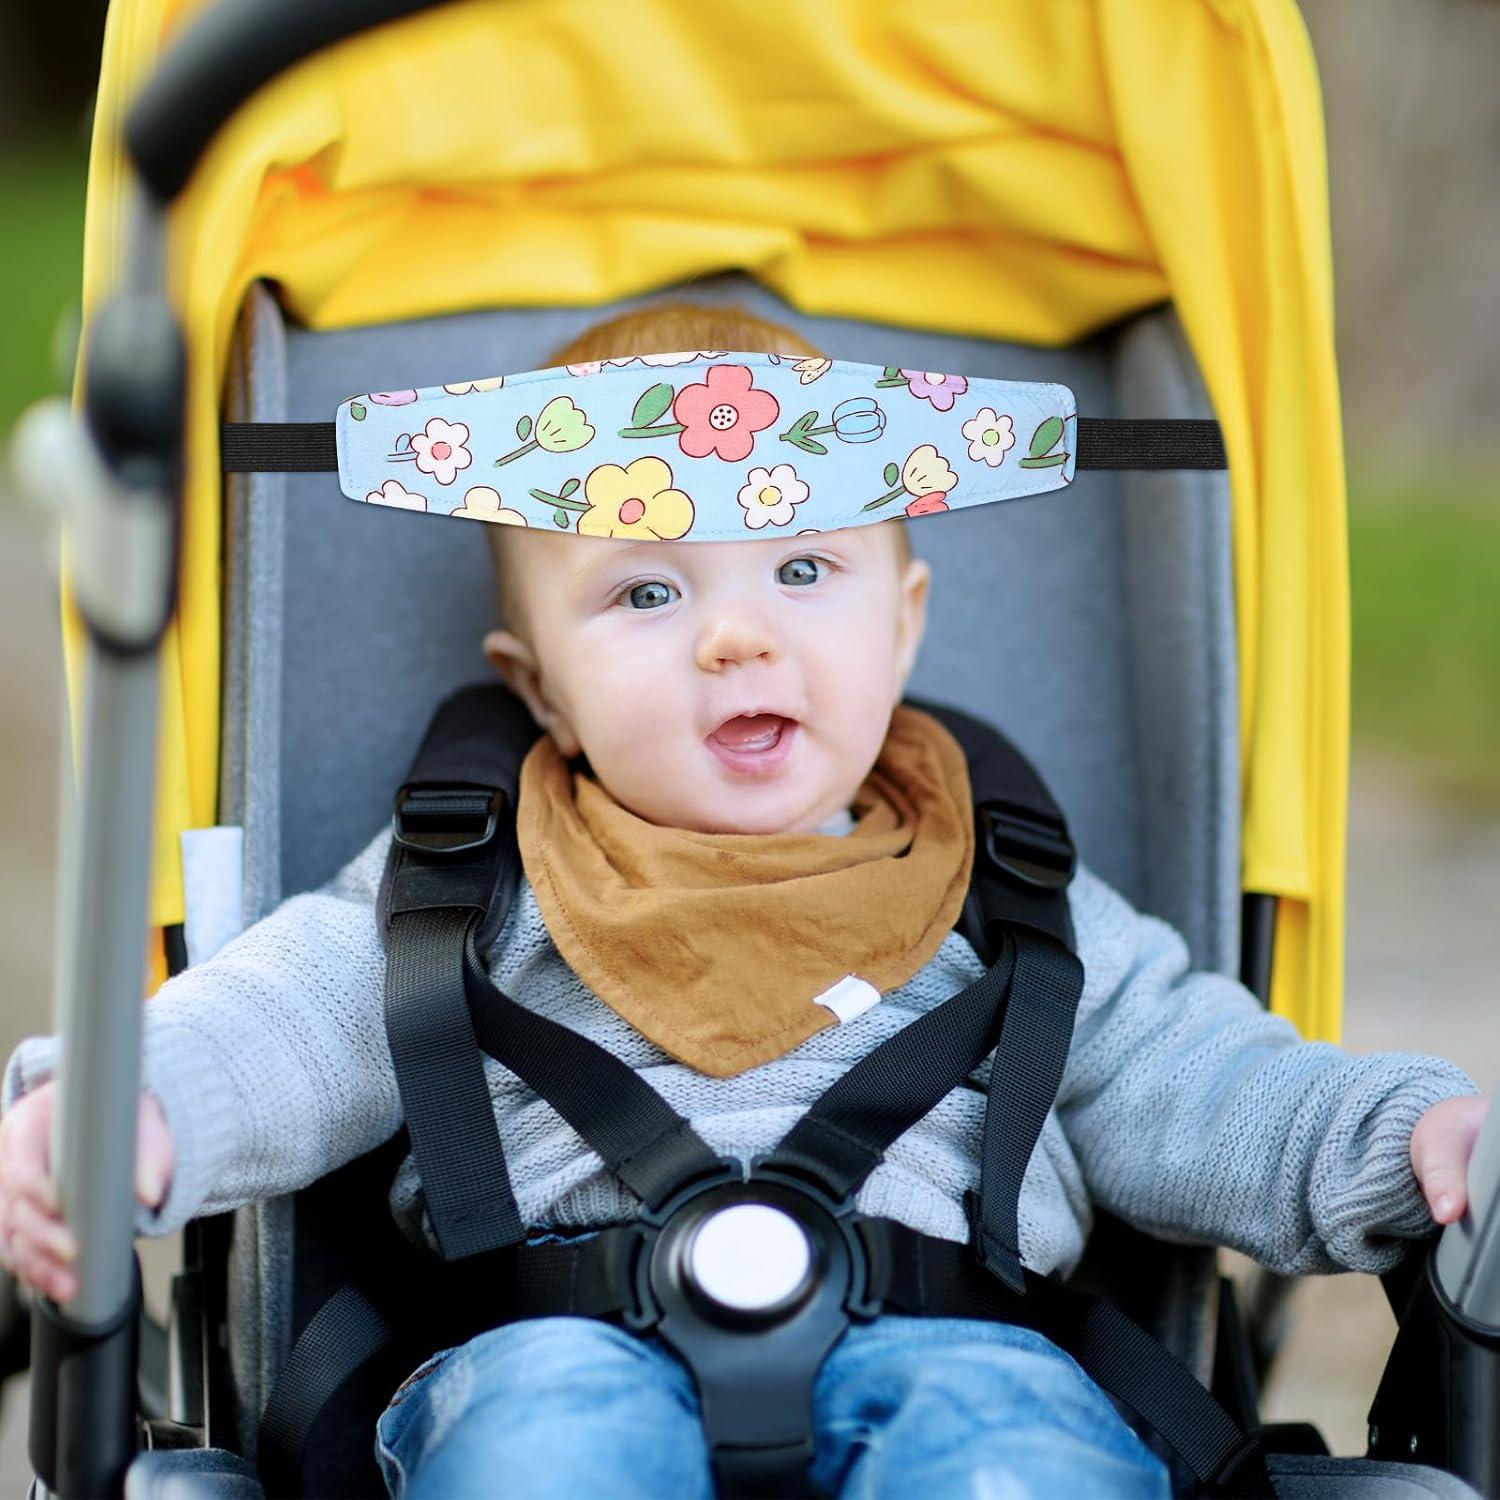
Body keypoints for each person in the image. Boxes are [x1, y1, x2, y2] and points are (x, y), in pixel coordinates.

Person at [0, 302, 1489, 1500]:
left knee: (1017, 1458)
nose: (735, 638)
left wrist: (1404, 1141)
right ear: (539, 689)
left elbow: (1201, 1077)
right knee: (543, 1454)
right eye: (648, 593)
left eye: (804, 565)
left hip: (959, 1345)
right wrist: (133, 1108)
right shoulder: (466, 876)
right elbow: (284, 1021)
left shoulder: (1006, 888)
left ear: (903, 625)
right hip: (549, 1342)